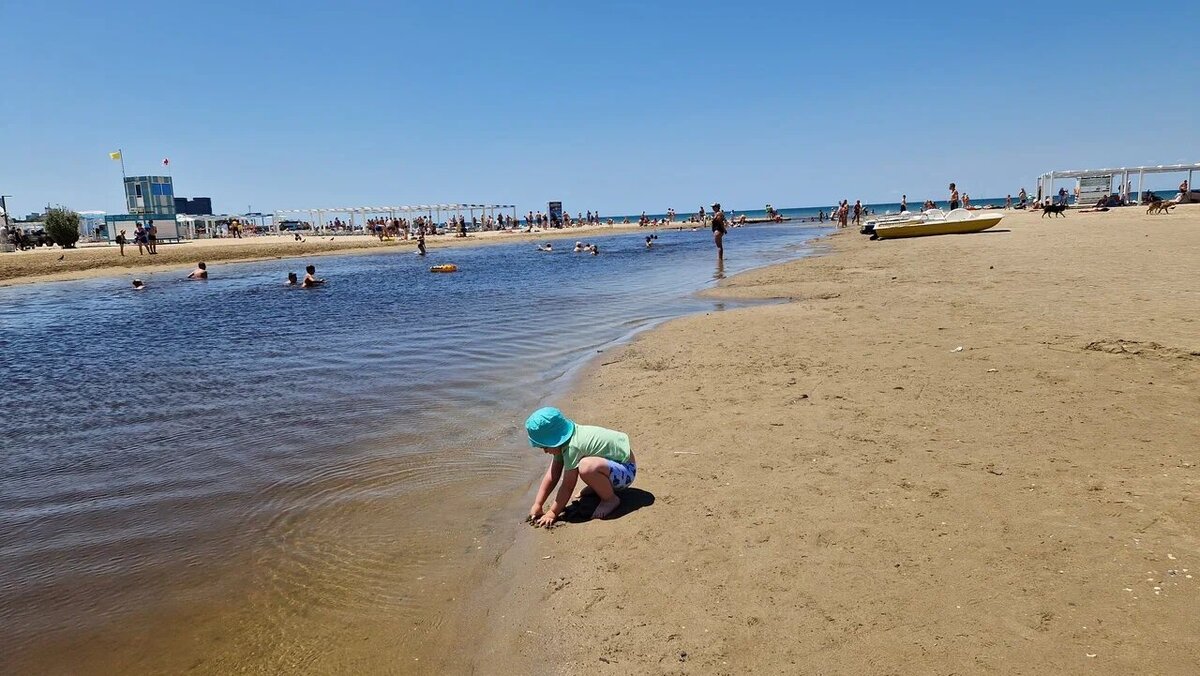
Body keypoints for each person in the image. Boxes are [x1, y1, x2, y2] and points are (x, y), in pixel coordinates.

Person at [525, 407, 637, 525]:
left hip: (627, 470)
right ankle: (601, 486)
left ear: (555, 441)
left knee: (585, 466)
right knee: (586, 465)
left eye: (545, 447)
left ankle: (610, 500)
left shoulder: (573, 447)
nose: (545, 451)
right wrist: (538, 504)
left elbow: (568, 486)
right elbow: (552, 475)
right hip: (614, 467)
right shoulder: (564, 442)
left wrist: (553, 512)